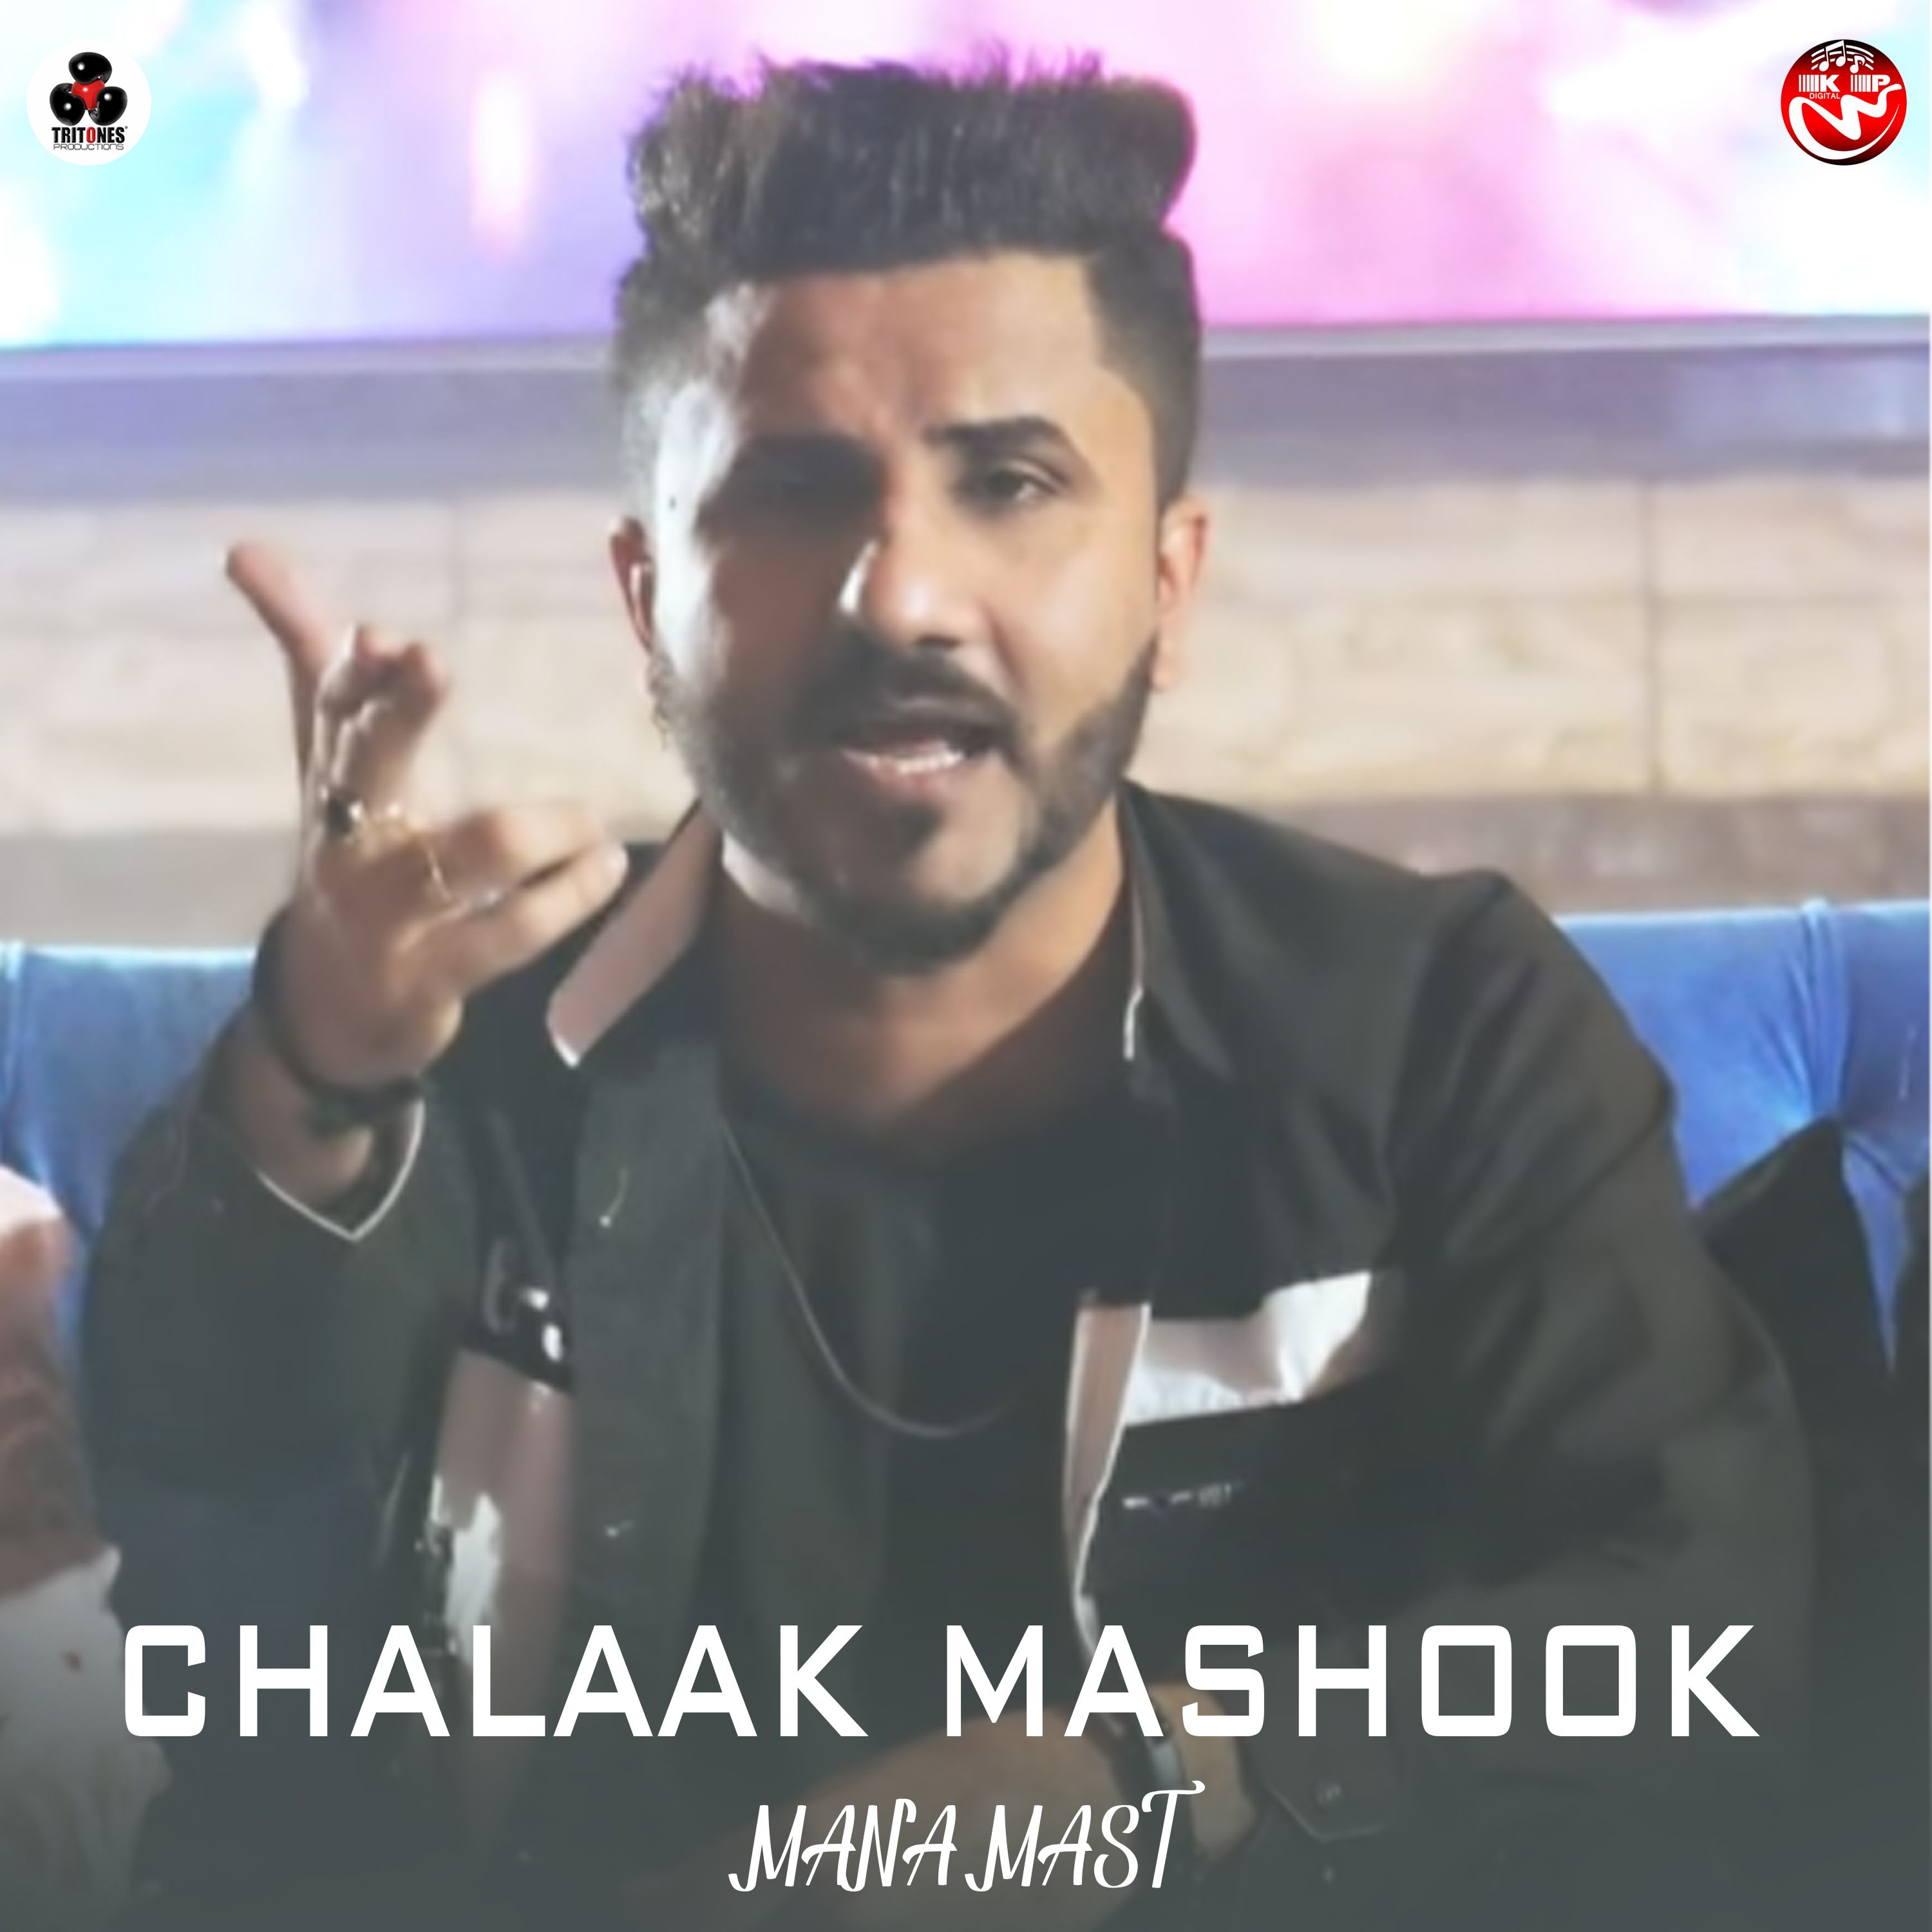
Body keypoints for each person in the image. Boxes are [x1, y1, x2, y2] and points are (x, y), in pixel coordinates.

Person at [84, 57, 1808, 1932]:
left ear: (1169, 582)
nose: (897, 595)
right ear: (649, 602)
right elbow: (219, 1567)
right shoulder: (454, 1070)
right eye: (793, 489)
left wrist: (1150, 1779)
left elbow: (1690, 1626)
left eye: (1010, 483)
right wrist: (314, 1073)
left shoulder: (1434, 1029)